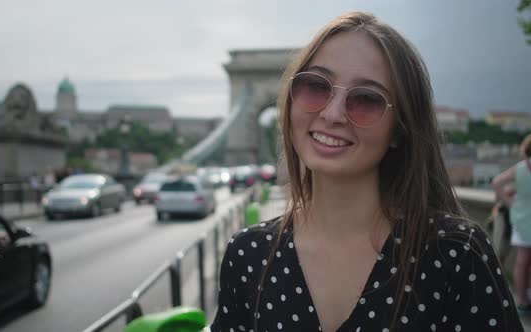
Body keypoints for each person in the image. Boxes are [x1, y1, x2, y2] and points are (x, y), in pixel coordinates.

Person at [211, 11, 523, 332]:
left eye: (365, 99)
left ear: (401, 129)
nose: (332, 114)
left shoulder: (457, 255)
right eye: (315, 86)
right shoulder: (247, 256)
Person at [493, 133, 531, 314]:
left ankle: (522, 300)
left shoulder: (522, 168)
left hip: (522, 218)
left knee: (522, 262)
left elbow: (497, 182)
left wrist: (511, 204)